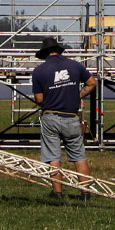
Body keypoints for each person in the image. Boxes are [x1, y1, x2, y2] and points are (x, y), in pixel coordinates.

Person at [31, 36, 96, 200]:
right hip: (72, 116)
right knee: (79, 155)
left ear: (44, 53)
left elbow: (39, 99)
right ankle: (86, 192)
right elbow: (92, 83)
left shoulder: (39, 71)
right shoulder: (74, 65)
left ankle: (57, 192)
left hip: (50, 116)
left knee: (53, 156)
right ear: (58, 50)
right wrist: (78, 95)